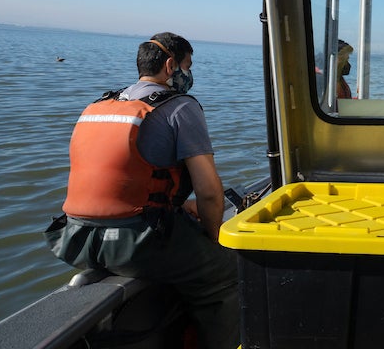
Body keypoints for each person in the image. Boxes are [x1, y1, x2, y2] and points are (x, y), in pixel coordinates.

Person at [45, 32, 240, 349]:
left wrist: (177, 207)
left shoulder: (98, 105)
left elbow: (120, 179)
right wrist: (213, 239)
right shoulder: (181, 108)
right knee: (226, 274)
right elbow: (209, 193)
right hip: (138, 243)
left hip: (74, 240)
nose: (189, 76)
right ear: (170, 65)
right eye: (188, 67)